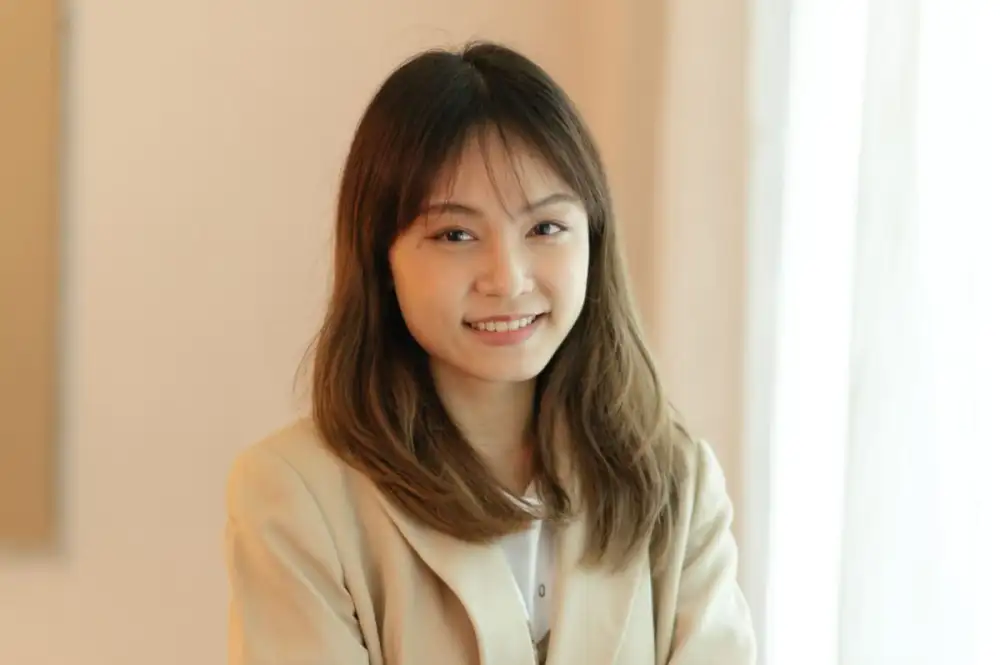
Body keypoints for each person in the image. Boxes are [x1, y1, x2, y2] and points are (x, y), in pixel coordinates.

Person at [223, 41, 756, 665]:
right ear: (380, 260)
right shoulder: (295, 496)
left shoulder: (674, 483)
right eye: (456, 234)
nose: (507, 279)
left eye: (545, 228)